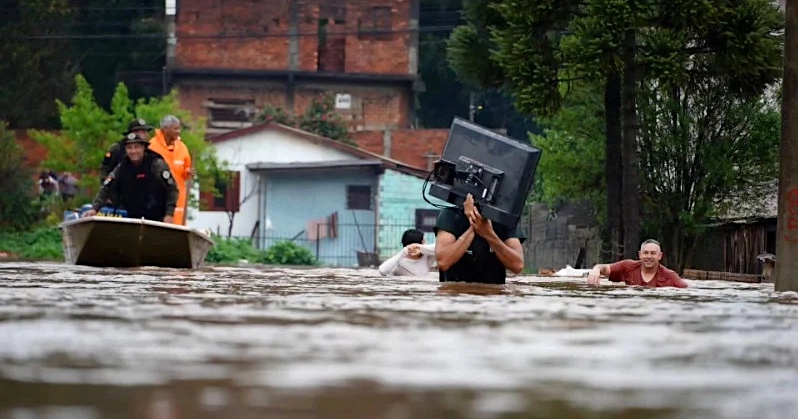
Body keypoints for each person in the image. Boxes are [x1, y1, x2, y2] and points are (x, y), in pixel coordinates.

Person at [82, 132, 178, 223]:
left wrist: (169, 214)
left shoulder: (156, 164)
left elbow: (172, 188)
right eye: (130, 148)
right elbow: (107, 187)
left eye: (137, 147)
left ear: (143, 148)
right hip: (132, 217)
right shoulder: (122, 167)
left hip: (157, 218)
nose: (133, 151)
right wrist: (94, 209)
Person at [434, 193, 525, 284]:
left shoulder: (504, 219)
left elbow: (517, 265)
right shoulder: (451, 215)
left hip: (494, 294)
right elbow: (443, 262)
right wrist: (473, 226)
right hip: (455, 293)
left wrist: (489, 234)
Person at [586, 239, 689, 288]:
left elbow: (687, 291)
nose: (649, 256)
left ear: (660, 256)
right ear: (640, 255)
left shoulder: (670, 276)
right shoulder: (628, 267)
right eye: (645, 253)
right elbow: (605, 268)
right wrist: (596, 269)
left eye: (653, 253)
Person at [148, 115, 193, 225]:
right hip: (157, 198)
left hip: (179, 198)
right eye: (175, 128)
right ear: (165, 130)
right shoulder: (151, 146)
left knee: (178, 230)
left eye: (179, 128)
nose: (178, 132)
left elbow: (187, 169)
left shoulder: (182, 147)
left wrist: (189, 173)